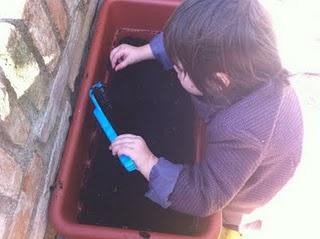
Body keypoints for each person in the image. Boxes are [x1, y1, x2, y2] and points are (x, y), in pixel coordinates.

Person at [109, 0, 303, 238]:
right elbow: (191, 47)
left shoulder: (242, 132)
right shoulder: (241, 61)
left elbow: (205, 196)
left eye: (180, 70)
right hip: (265, 137)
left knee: (225, 211)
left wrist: (148, 162)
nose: (176, 70)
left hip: (258, 175)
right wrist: (145, 51)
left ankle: (232, 225)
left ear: (218, 82)